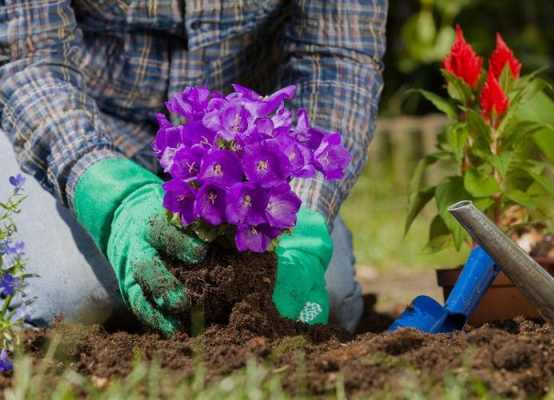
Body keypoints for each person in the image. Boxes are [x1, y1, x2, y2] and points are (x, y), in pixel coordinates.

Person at [0, 0, 387, 335]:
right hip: (80, 137)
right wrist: (113, 196)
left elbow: (337, 60)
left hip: (243, 172)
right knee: (66, 299)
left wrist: (300, 218)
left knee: (322, 299)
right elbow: (27, 58)